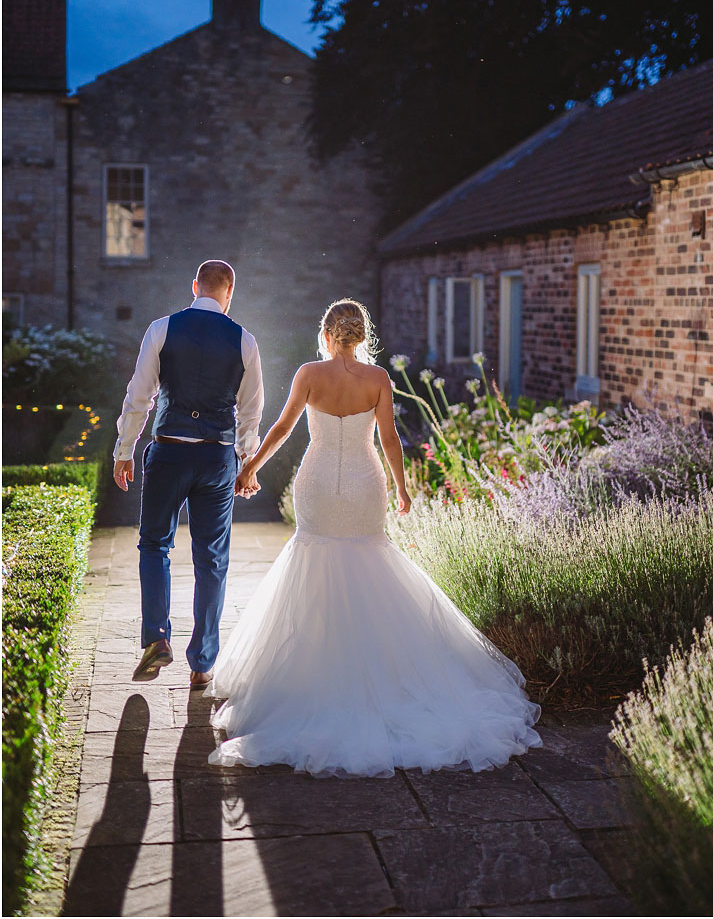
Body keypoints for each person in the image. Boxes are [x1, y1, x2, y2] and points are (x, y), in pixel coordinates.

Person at [206, 299, 541, 776]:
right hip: (366, 483)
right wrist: (402, 488)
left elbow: (282, 428)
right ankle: (383, 679)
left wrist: (250, 468)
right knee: (369, 563)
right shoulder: (378, 380)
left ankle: (317, 678)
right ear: (362, 336)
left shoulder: (309, 374)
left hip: (318, 482)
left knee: (315, 564)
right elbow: (388, 440)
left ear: (327, 334)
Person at [114, 260, 264, 688]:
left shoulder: (161, 329)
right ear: (229, 291)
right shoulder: (245, 341)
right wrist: (245, 462)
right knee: (211, 559)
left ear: (194, 285)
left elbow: (138, 396)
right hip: (217, 457)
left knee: (154, 544)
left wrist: (124, 449)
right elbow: (251, 413)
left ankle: (157, 637)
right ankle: (202, 662)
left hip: (169, 452)